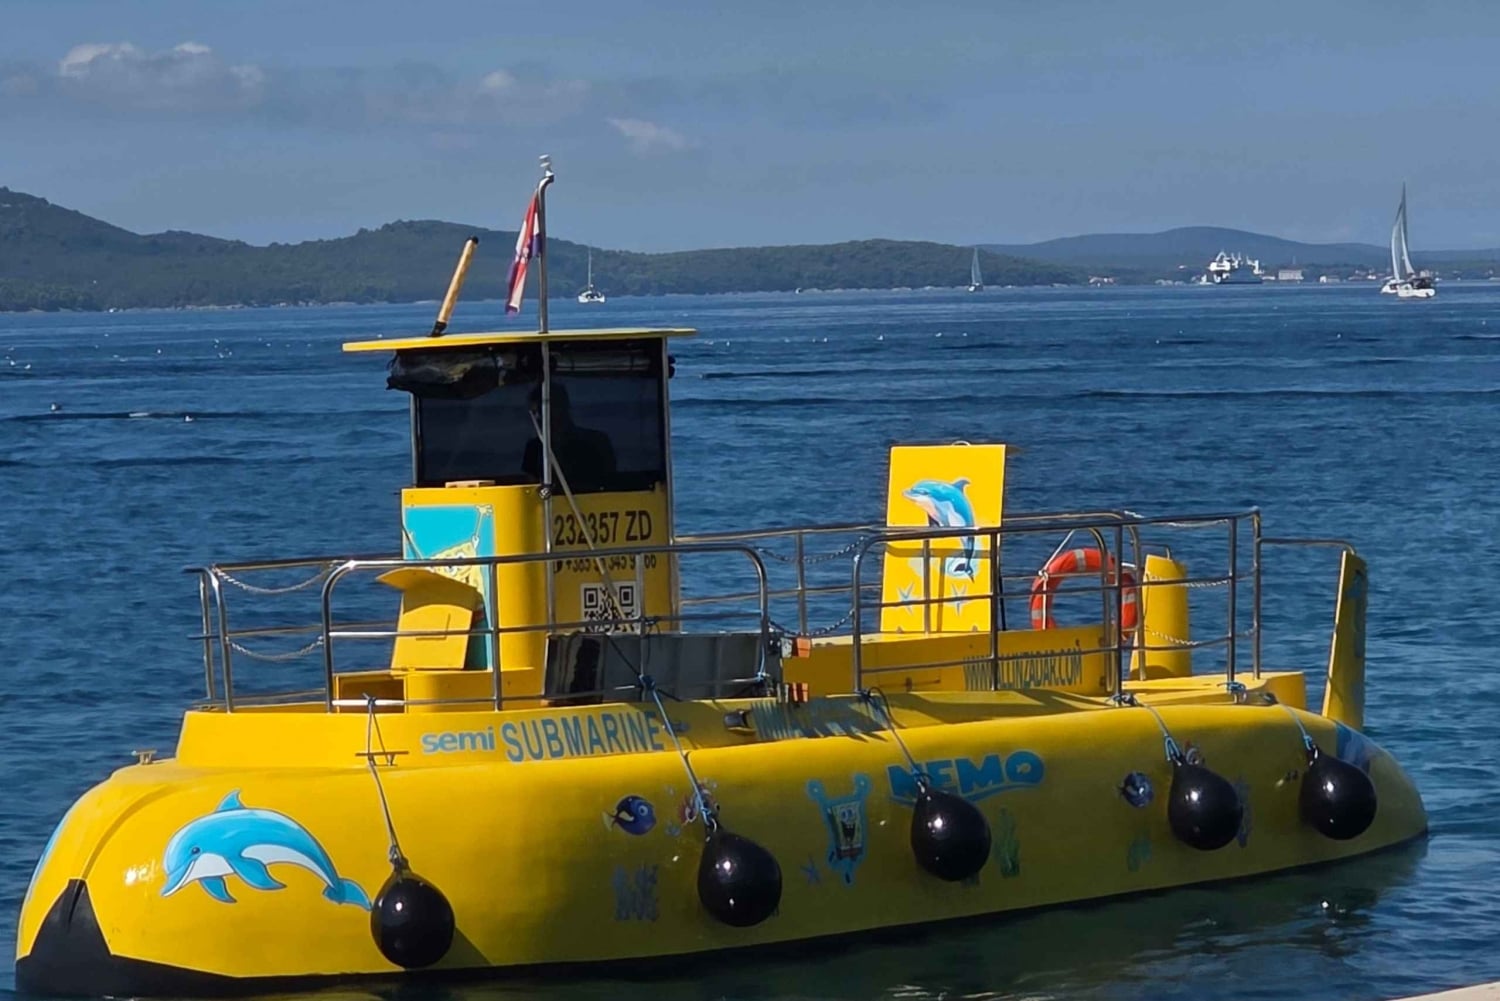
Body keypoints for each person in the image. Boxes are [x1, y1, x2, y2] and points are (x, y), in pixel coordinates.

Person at [521, 380, 617, 489]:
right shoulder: (533, 448)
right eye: (534, 413)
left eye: (541, 411)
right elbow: (531, 489)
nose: (538, 417)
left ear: (562, 407)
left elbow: (609, 483)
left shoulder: (597, 442)